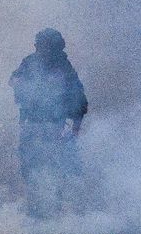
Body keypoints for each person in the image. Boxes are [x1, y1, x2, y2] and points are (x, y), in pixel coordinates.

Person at [10, 28, 88, 218]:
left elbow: (78, 99)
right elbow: (13, 80)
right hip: (35, 125)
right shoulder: (32, 62)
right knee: (32, 168)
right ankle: (39, 210)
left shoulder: (62, 66)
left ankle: (52, 211)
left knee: (54, 168)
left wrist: (74, 127)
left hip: (52, 126)